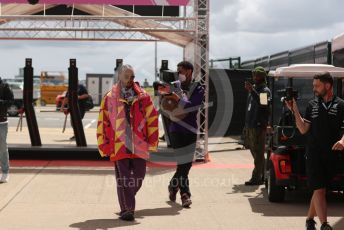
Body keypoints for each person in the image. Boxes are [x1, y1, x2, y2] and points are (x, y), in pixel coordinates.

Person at [97, 64, 159, 221]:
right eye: (127, 76)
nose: (131, 79)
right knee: (123, 178)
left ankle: (127, 199)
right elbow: (102, 122)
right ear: (120, 76)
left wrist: (152, 141)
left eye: (132, 76)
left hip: (140, 144)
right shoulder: (109, 97)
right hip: (118, 144)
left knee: (139, 175)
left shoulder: (144, 96)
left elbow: (152, 119)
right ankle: (127, 209)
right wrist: (103, 144)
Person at [285, 72, 344, 230]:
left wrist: (343, 141)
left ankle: (310, 220)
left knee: (321, 189)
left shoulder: (341, 104)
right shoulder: (312, 105)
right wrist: (294, 109)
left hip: (331, 154)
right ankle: (325, 224)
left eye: (316, 86)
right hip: (313, 154)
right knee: (318, 189)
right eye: (313, 86)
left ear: (328, 85)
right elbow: (303, 129)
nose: (314, 89)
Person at [161, 61, 204, 208]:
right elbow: (164, 102)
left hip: (191, 129)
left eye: (181, 71)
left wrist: (178, 98)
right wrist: (167, 95)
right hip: (176, 130)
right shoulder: (174, 85)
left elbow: (192, 106)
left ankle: (173, 186)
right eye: (177, 71)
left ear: (189, 71)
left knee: (185, 165)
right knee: (183, 162)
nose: (179, 73)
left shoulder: (197, 87)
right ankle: (185, 195)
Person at [244, 66, 271, 186]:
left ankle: (257, 178)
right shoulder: (254, 90)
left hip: (259, 126)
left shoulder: (265, 90)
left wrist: (252, 91)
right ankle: (264, 173)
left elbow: (263, 104)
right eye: (254, 75)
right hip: (251, 124)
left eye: (257, 75)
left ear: (262, 77)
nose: (255, 77)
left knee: (259, 153)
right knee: (253, 149)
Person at [0, 77, 14, 183]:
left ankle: (5, 172)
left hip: (1, 121)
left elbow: (11, 101)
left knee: (2, 147)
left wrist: (1, 102)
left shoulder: (4, 86)